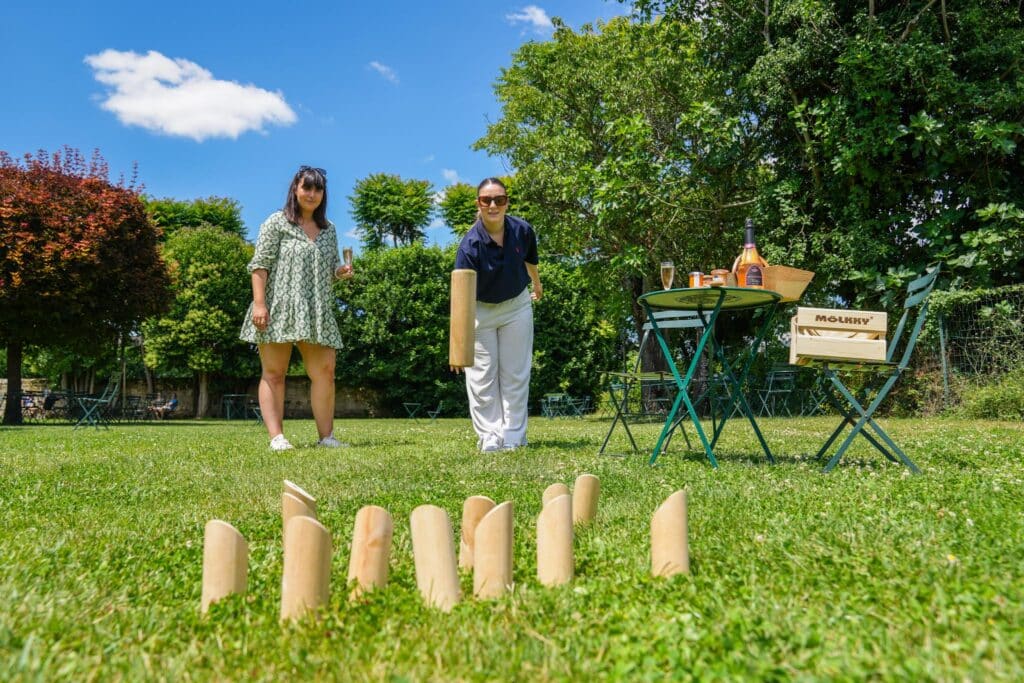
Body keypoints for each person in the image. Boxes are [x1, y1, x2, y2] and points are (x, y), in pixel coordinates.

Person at [239, 166, 353, 451]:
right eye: (307, 187)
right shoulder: (277, 223)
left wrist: (339, 272)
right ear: (295, 189)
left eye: (318, 189)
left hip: (316, 310)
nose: (312, 194)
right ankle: (277, 438)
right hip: (278, 306)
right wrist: (259, 304)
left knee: (325, 371)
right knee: (274, 373)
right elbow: (260, 265)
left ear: (323, 194)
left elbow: (326, 271)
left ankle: (326, 438)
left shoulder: (329, 231)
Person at [452, 178, 542, 452]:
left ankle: (514, 436)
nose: (493, 205)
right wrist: (457, 347)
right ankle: (490, 437)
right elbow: (461, 294)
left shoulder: (523, 230)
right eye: (486, 200)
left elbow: (531, 261)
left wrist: (537, 285)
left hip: (517, 306)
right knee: (481, 378)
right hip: (481, 311)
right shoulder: (470, 246)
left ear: (507, 202)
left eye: (499, 200)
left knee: (515, 374)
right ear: (478, 204)